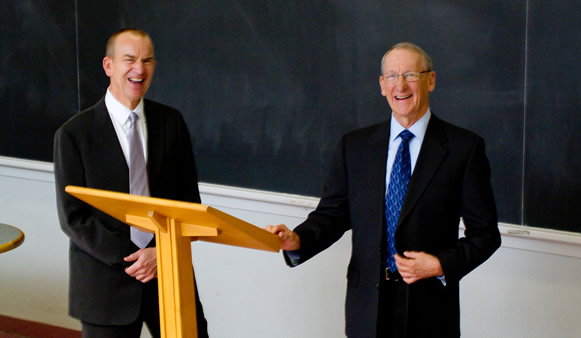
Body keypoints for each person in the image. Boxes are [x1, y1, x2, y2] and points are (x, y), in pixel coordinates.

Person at [266, 42, 501, 337]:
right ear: (381, 85)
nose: (400, 85)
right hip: (367, 305)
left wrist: (440, 264)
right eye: (391, 76)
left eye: (411, 75)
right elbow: (333, 214)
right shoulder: (355, 146)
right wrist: (298, 240)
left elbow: (486, 235)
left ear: (430, 80)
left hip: (429, 308)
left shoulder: (463, 149)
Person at [54, 28, 209, 337]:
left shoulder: (171, 122)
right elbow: (74, 219)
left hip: (168, 272)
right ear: (108, 66)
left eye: (147, 60)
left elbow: (188, 204)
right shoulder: (74, 135)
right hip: (105, 284)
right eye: (129, 59)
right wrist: (136, 258)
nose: (139, 69)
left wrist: (159, 253)